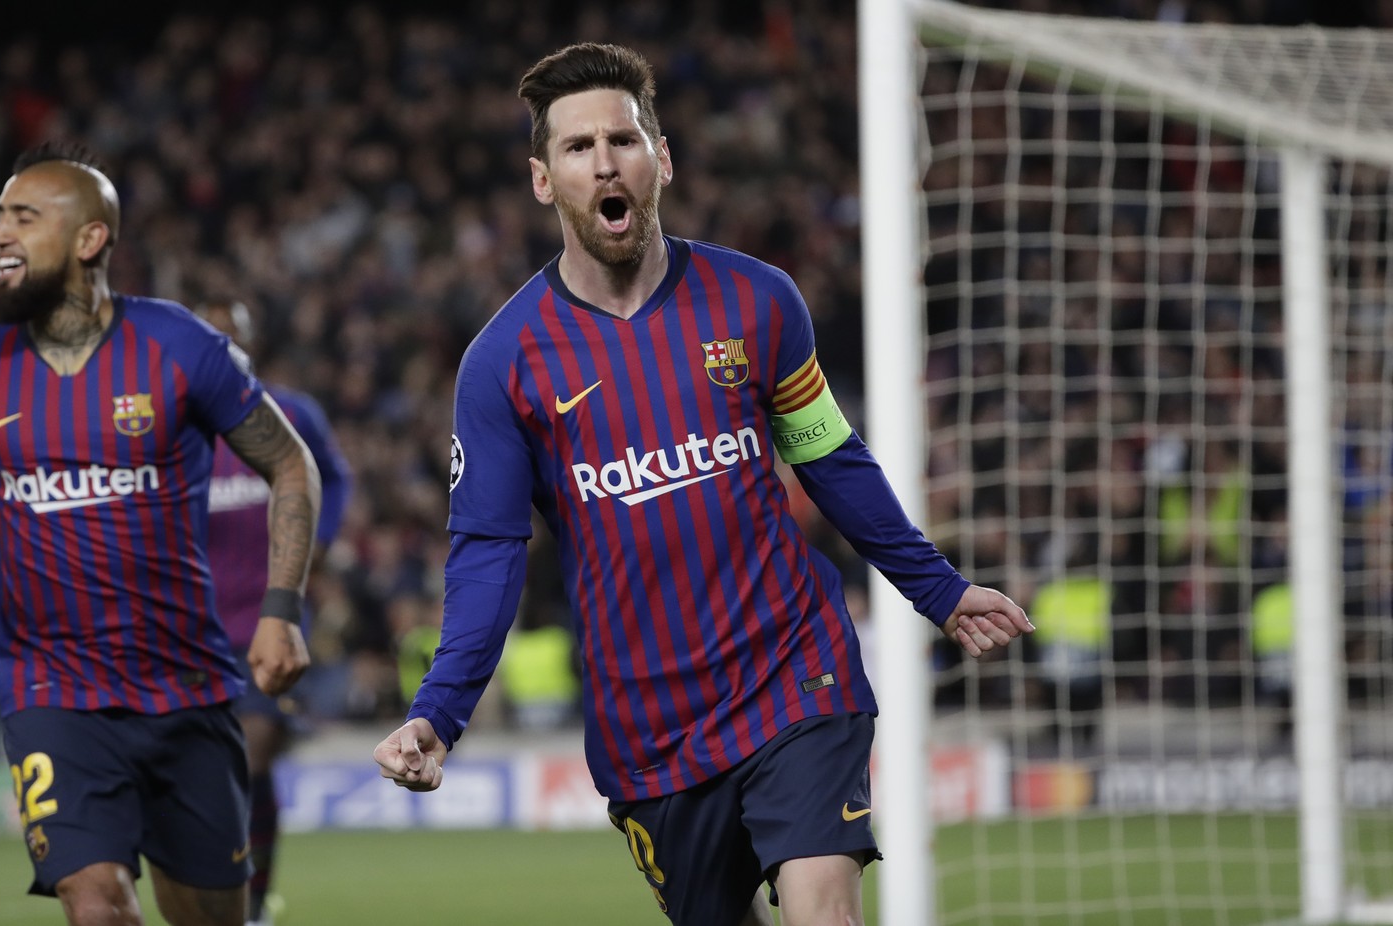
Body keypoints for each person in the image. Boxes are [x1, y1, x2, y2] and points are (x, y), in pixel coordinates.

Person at [374, 43, 1034, 926]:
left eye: (624, 138)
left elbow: (830, 459)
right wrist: (438, 715)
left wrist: (939, 590)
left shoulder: (758, 301)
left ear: (664, 158)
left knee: (825, 912)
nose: (605, 161)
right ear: (543, 180)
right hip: (649, 726)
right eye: (577, 148)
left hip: (793, 673)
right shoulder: (502, 364)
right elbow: (488, 555)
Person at [0, 143, 321, 926]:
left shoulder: (180, 348)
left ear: (89, 240)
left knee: (212, 917)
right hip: (50, 691)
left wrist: (281, 609)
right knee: (96, 904)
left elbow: (292, 466)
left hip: (186, 688)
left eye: (23, 217)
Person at [197, 298, 353, 926]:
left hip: (269, 617)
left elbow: (333, 479)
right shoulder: (172, 423)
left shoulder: (289, 415)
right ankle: (226, 895)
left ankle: (251, 904)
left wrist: (315, 547)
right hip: (193, 626)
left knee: (250, 752)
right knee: (213, 770)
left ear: (249, 342)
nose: (221, 347)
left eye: (231, 335)